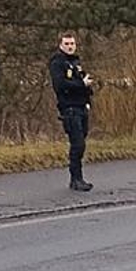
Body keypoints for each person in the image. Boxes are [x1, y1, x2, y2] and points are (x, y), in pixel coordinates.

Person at [49, 32, 94, 191]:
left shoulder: (75, 62)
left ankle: (78, 178)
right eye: (67, 44)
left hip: (81, 106)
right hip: (69, 108)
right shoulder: (57, 63)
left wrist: (87, 98)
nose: (70, 47)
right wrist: (81, 84)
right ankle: (76, 179)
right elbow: (60, 85)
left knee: (81, 142)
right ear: (60, 45)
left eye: (72, 44)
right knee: (77, 144)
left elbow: (83, 82)